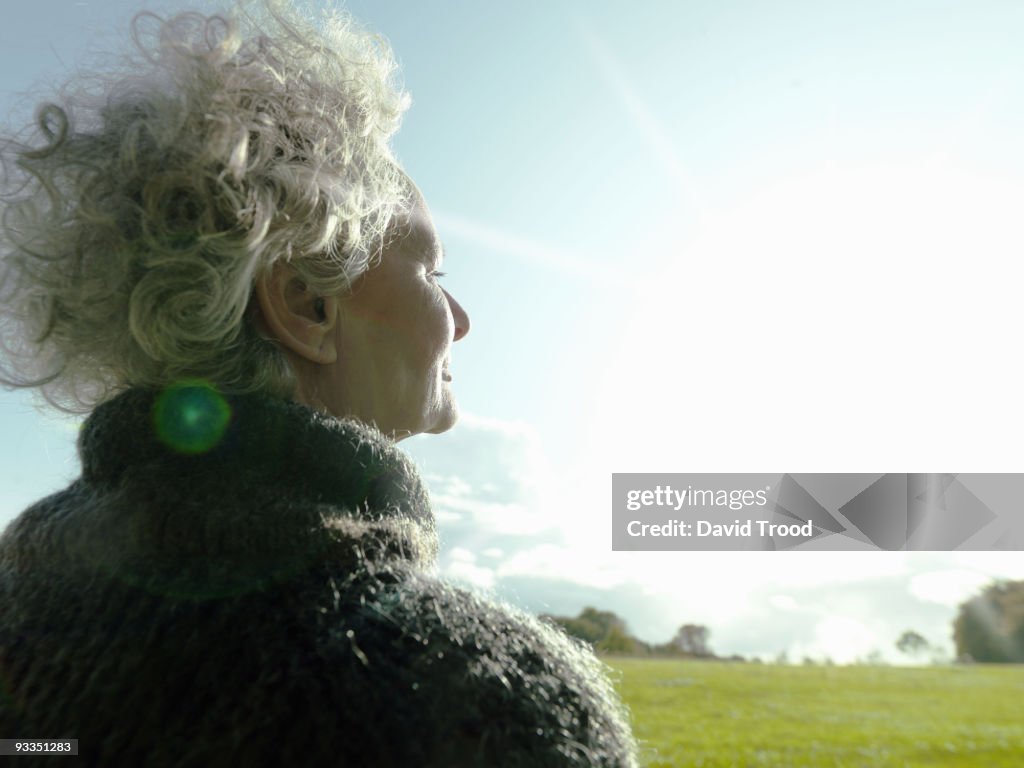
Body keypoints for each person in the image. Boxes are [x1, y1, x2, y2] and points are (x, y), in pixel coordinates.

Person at [0, 3, 638, 766]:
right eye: (433, 273)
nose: (460, 319)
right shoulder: (492, 702)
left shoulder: (21, 624)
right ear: (306, 304)